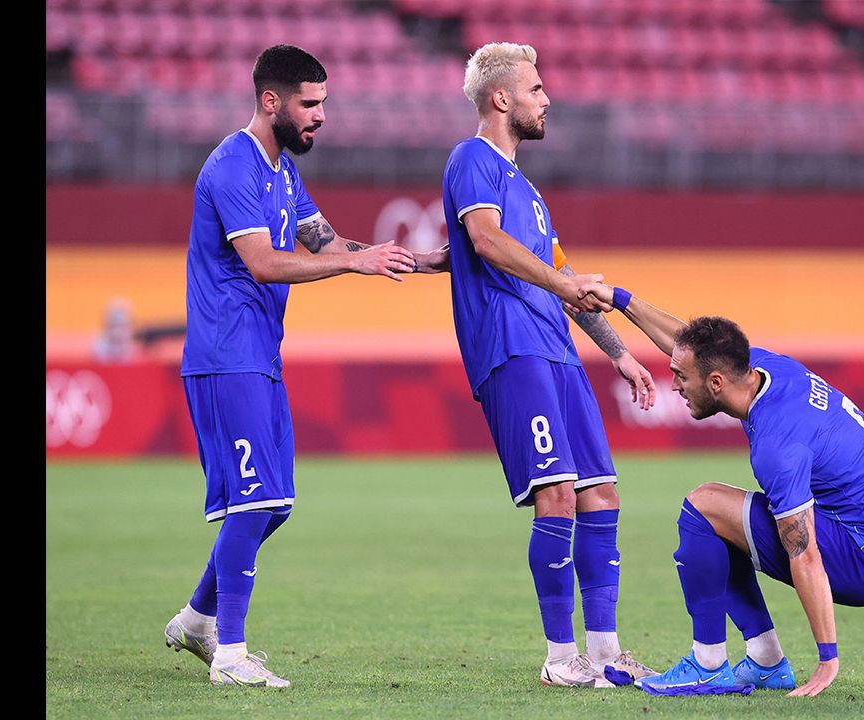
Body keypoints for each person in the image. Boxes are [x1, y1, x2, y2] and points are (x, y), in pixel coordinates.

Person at [163, 44, 448, 689]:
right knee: (255, 498)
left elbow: (322, 238)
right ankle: (230, 654)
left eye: (325, 103)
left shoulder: (284, 171)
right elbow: (264, 262)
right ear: (272, 101)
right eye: (310, 104)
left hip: (259, 356)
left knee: (275, 505)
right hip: (223, 356)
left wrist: (396, 257)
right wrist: (352, 262)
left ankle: (199, 618)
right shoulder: (233, 165)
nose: (322, 116)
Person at [441, 42, 660, 689]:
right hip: (510, 348)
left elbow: (562, 276)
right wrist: (562, 287)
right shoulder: (472, 160)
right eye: (535, 88)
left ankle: (605, 651)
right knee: (557, 493)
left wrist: (617, 352)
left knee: (601, 493)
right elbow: (485, 240)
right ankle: (559, 655)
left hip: (558, 351)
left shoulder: (528, 192)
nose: (547, 99)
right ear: (501, 98)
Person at [578, 283, 864, 697]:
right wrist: (621, 301)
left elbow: (804, 553)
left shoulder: (778, 444)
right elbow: (691, 348)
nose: (677, 386)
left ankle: (707, 664)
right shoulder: (765, 369)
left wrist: (828, 659)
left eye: (681, 378)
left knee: (704, 506)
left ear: (716, 383)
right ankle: (765, 661)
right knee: (722, 521)